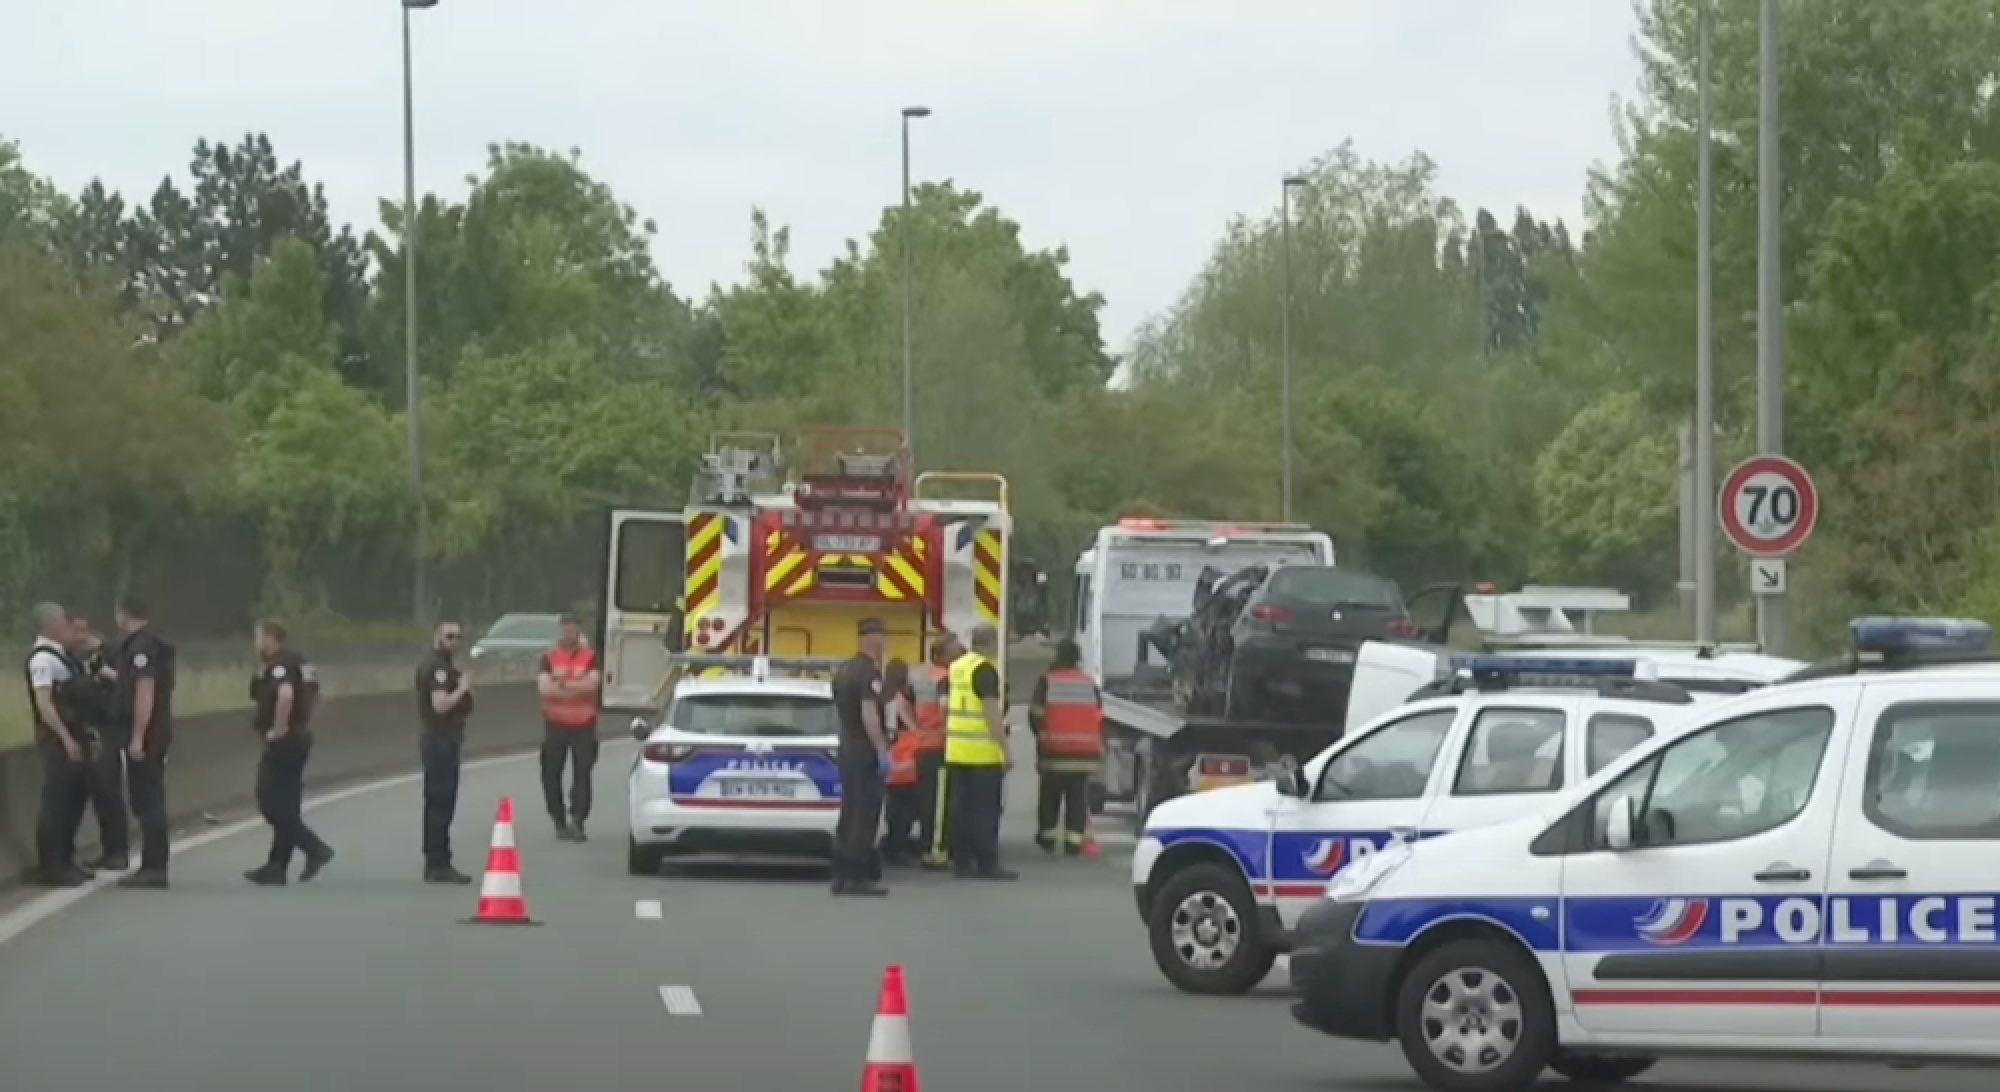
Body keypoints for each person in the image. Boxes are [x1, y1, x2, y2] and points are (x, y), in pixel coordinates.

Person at [245, 620, 334, 886]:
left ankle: (315, 848)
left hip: (284, 740)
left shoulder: (280, 665)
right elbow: (317, 696)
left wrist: (279, 729)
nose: (256, 643)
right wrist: (303, 724)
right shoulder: (301, 663)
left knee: (269, 801)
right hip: (300, 737)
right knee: (288, 804)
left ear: (271, 638)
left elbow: (285, 696)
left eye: (259, 637)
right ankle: (277, 866)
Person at [26, 603, 91, 887]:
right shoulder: (42, 660)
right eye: (64, 622)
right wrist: (65, 738)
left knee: (73, 801)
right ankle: (51, 866)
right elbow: (44, 704)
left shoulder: (64, 657)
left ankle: (66, 859)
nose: (68, 628)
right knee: (56, 803)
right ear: (50, 624)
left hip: (74, 736)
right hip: (57, 741)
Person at [944, 624, 1015, 880]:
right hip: (982, 754)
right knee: (985, 811)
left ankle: (961, 862)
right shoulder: (985, 670)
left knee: (960, 809)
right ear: (990, 643)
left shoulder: (957, 667)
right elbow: (992, 714)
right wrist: (1006, 751)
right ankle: (987, 863)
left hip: (957, 751)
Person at [112, 597, 175, 889]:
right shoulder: (154, 644)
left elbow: (145, 692)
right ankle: (154, 863)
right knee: (150, 798)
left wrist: (138, 737)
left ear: (123, 614)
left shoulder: (140, 648)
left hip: (147, 734)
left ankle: (154, 866)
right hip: (157, 731)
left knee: (147, 800)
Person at [830, 617, 892, 896]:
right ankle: (857, 876)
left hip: (847, 748)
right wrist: (881, 750)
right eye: (884, 637)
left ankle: (841, 874)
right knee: (865, 814)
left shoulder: (844, 669)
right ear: (874, 638)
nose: (886, 644)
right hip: (863, 750)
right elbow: (869, 715)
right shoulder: (868, 673)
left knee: (849, 810)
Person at [66, 612, 130, 874]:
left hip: (108, 727)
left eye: (82, 631)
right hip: (87, 727)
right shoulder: (70, 658)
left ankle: (118, 850)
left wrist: (103, 671)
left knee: (108, 788)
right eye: (74, 632)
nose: (79, 637)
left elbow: (128, 683)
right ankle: (108, 849)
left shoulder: (111, 652)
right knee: (98, 794)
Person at [1030, 638, 1105, 856]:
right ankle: (1074, 841)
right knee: (1077, 799)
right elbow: (1099, 715)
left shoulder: (1048, 681)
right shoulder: (1088, 682)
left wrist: (1043, 736)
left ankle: (1048, 837)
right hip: (1084, 753)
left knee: (1050, 796)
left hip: (1054, 751)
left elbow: (1036, 714)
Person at [416, 620, 475, 884]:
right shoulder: (437, 668)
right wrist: (462, 688)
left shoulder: (447, 666)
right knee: (440, 801)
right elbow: (440, 705)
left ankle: (437, 858)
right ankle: (437, 861)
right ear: (437, 637)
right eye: (449, 636)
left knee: (442, 801)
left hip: (446, 739)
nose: (454, 642)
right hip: (439, 740)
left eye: (458, 637)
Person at [538, 613, 602, 841]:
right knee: (550, 773)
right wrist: (577, 686)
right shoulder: (549, 657)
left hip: (584, 724)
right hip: (555, 724)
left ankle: (578, 820)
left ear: (578, 630)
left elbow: (592, 685)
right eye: (565, 628)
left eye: (573, 628)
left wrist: (563, 684)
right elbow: (545, 689)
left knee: (582, 774)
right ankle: (558, 820)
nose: (569, 632)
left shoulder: (591, 656)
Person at [914, 636, 957, 870]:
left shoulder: (922, 677)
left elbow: (905, 705)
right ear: (940, 656)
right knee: (940, 804)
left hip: (923, 745)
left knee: (927, 802)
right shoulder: (945, 678)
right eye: (953, 652)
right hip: (939, 746)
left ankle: (928, 846)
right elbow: (945, 706)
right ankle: (936, 851)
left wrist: (917, 728)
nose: (958, 655)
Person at [877, 658, 922, 865]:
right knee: (906, 808)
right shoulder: (900, 699)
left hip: (889, 757)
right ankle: (897, 846)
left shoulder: (882, 696)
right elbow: (911, 727)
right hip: (905, 757)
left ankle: (892, 844)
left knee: (894, 807)